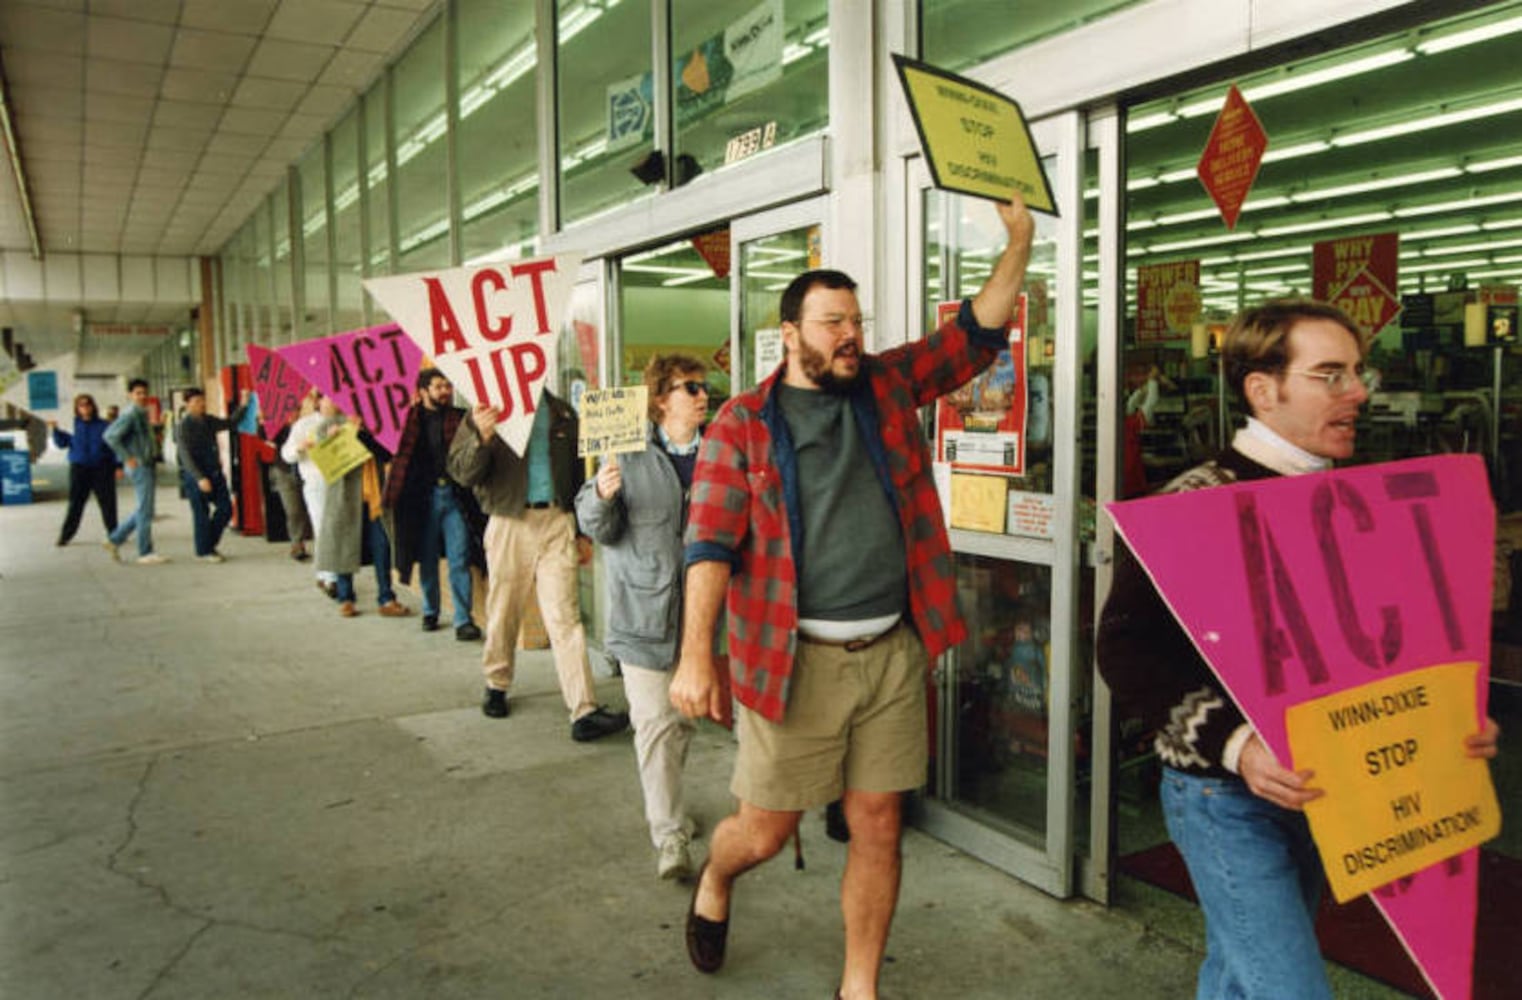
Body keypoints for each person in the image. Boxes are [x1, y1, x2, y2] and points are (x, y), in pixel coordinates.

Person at [670, 192, 1035, 998]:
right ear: (791, 333)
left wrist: (1017, 244)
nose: (850, 336)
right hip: (791, 662)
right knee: (767, 831)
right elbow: (709, 546)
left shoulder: (885, 385)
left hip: (892, 656)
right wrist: (698, 656)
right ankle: (717, 880)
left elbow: (973, 336)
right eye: (832, 322)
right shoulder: (743, 423)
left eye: (856, 321)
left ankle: (858, 986)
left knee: (878, 822)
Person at [1096, 298, 1502, 1000]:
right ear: (1264, 390)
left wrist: (1446, 719)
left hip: (1331, 788)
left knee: (1238, 968)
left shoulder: (1362, 495)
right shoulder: (1193, 503)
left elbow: (1385, 644)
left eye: (1357, 372)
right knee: (1287, 986)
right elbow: (1126, 652)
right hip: (1224, 796)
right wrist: (1238, 746)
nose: (1359, 392)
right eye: (1331, 375)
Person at [576, 353, 709, 879]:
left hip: (699, 623)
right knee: (654, 726)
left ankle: (670, 807)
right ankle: (670, 837)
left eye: (704, 387)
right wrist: (603, 497)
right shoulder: (624, 455)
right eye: (690, 387)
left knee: (681, 726)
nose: (702, 395)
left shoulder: (721, 453)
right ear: (660, 399)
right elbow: (595, 527)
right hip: (642, 620)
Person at [448, 385, 629, 743]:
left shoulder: (562, 412)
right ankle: (496, 683)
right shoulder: (487, 410)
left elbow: (577, 474)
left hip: (557, 519)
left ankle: (584, 709)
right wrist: (482, 436)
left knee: (566, 617)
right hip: (509, 520)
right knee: (504, 608)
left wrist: (581, 531)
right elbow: (462, 473)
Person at [384, 369, 482, 640]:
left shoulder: (462, 418)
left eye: (448, 386)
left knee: (459, 557)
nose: (445, 391)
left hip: (455, 497)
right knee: (427, 559)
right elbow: (385, 449)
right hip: (423, 499)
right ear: (423, 391)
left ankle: (463, 619)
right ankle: (431, 610)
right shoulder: (408, 421)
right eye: (438, 387)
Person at [175, 386, 249, 563]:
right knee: (201, 513)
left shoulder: (208, 420)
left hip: (215, 472)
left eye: (202, 401)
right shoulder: (183, 427)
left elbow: (230, 423)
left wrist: (244, 404)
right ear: (187, 404)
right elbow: (185, 455)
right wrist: (199, 477)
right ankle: (205, 550)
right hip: (196, 476)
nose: (201, 404)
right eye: (196, 402)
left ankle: (207, 545)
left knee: (226, 509)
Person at [103, 378, 169, 565]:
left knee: (144, 509)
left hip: (145, 463)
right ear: (130, 395)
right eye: (138, 393)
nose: (142, 396)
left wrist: (158, 426)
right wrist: (127, 457)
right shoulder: (131, 413)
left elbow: (138, 436)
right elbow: (110, 436)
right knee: (145, 510)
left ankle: (114, 539)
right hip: (140, 465)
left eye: (144, 393)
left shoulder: (141, 413)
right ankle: (145, 551)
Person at [284, 392, 340, 596]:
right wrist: (301, 447)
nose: (334, 402)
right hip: (317, 482)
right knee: (323, 527)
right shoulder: (304, 425)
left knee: (337, 529)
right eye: (329, 398)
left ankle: (324, 572)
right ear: (319, 402)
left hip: (343, 483)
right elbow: (287, 454)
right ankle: (330, 578)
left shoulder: (346, 422)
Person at [49, 393, 118, 546]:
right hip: (80, 468)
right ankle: (66, 535)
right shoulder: (72, 425)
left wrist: (118, 466)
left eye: (88, 404)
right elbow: (62, 444)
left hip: (102, 468)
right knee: (75, 503)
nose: (85, 407)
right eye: (81, 405)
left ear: (93, 406)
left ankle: (114, 533)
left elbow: (114, 446)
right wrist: (55, 430)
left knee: (108, 502)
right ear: (76, 408)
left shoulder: (104, 425)